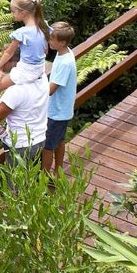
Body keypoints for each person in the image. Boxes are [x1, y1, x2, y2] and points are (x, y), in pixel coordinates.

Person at [0, 0, 50, 99]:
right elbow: (45, 51)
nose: (11, 14)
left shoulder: (22, 33)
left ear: (23, 13)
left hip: (25, 72)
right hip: (40, 70)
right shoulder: (44, 25)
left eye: (13, 11)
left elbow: (8, 53)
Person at [43, 22, 78, 172]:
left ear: (62, 42)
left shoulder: (65, 63)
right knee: (59, 140)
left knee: (48, 146)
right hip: (62, 109)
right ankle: (58, 171)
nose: (49, 41)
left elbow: (50, 90)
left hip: (56, 112)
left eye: (52, 39)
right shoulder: (65, 52)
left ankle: (43, 178)